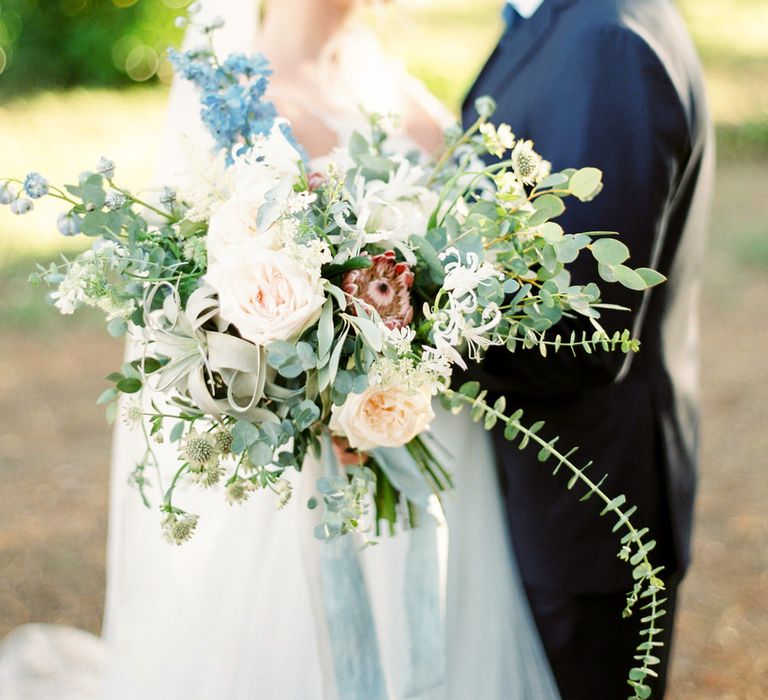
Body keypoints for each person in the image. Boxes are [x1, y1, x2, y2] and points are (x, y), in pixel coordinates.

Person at [0, 1, 561, 698]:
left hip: (432, 438)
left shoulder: (395, 86)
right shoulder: (232, 104)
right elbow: (199, 318)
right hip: (308, 473)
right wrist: (318, 380)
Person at [462, 0, 714, 697]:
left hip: (589, 509)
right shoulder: (555, 22)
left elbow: (588, 332)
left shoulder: (609, 40)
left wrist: (401, 336)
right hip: (540, 489)